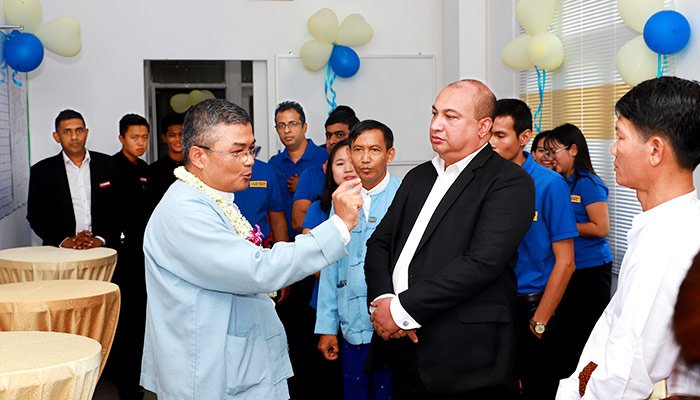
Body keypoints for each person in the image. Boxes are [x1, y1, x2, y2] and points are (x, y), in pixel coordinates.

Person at [140, 98, 363, 400]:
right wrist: (337, 227)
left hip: (235, 357)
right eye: (238, 152)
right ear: (198, 156)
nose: (249, 161)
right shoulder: (185, 211)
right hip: (209, 371)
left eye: (251, 149)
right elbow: (258, 269)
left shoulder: (213, 198)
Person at [364, 79, 535, 399]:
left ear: (483, 127)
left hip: (467, 357)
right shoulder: (418, 177)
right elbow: (379, 243)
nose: (436, 125)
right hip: (403, 346)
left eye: (450, 117)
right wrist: (384, 299)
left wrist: (401, 310)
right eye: (434, 113)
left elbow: (481, 263)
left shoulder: (509, 181)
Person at [557, 76, 700, 399]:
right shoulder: (670, 224)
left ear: (655, 150)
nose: (613, 148)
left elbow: (623, 378)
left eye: (621, 136)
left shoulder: (666, 247)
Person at [490, 99, 577, 399]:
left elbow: (566, 262)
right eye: (488, 134)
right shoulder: (483, 180)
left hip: (533, 305)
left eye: (500, 135)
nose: (491, 143)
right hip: (492, 304)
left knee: (538, 387)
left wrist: (539, 322)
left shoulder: (550, 184)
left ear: (524, 137)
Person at [316, 120, 400, 400]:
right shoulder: (342, 199)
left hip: (395, 324)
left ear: (390, 154)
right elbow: (330, 266)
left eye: (374, 150)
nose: (365, 158)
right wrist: (327, 327)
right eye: (358, 150)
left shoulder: (405, 195)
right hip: (352, 323)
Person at [544, 123, 613, 378]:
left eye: (554, 152)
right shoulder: (559, 182)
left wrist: (562, 226)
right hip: (566, 267)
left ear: (573, 150)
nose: (550, 158)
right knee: (566, 333)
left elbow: (601, 227)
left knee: (585, 332)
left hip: (590, 270)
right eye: (547, 153)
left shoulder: (588, 184)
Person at [27, 109, 119, 249]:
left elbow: (120, 207)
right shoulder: (41, 171)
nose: (74, 137)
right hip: (60, 251)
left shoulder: (109, 164)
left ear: (86, 133)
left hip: (103, 248)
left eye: (79, 131)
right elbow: (36, 216)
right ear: (57, 137)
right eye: (67, 132)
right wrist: (64, 240)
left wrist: (100, 239)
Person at [108, 113, 151, 400]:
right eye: (134, 137)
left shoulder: (146, 169)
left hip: (142, 255)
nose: (140, 143)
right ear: (121, 138)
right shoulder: (109, 168)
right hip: (119, 257)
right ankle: (123, 382)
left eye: (144, 137)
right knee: (123, 320)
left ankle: (136, 378)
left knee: (139, 319)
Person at [291, 107, 359, 232]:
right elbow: (299, 222)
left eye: (340, 135)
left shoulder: (372, 186)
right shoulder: (311, 175)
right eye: (328, 136)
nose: (332, 141)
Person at [268, 100, 328, 239]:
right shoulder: (273, 164)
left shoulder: (324, 158)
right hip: (285, 241)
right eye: (281, 125)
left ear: (304, 127)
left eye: (293, 124)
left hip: (320, 239)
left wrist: (304, 187)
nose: (287, 130)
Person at [235, 157, 290, 246]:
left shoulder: (265, 170)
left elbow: (278, 221)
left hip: (258, 247)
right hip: (220, 247)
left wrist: (283, 252)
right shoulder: (214, 171)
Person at [148, 114, 184, 207]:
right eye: (172, 135)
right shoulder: (154, 170)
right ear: (164, 138)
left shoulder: (196, 166)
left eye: (181, 134)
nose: (178, 139)